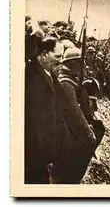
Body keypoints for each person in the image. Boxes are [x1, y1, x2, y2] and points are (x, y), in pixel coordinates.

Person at [56, 47, 98, 183]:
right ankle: (70, 177)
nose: (83, 65)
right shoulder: (65, 83)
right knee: (86, 140)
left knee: (98, 127)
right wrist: (88, 131)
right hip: (64, 127)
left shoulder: (71, 78)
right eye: (80, 62)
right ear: (72, 63)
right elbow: (74, 113)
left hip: (67, 123)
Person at [25, 37, 63, 184]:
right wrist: (48, 153)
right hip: (34, 152)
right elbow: (37, 122)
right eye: (57, 56)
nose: (60, 61)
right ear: (45, 54)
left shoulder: (47, 73)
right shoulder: (33, 78)